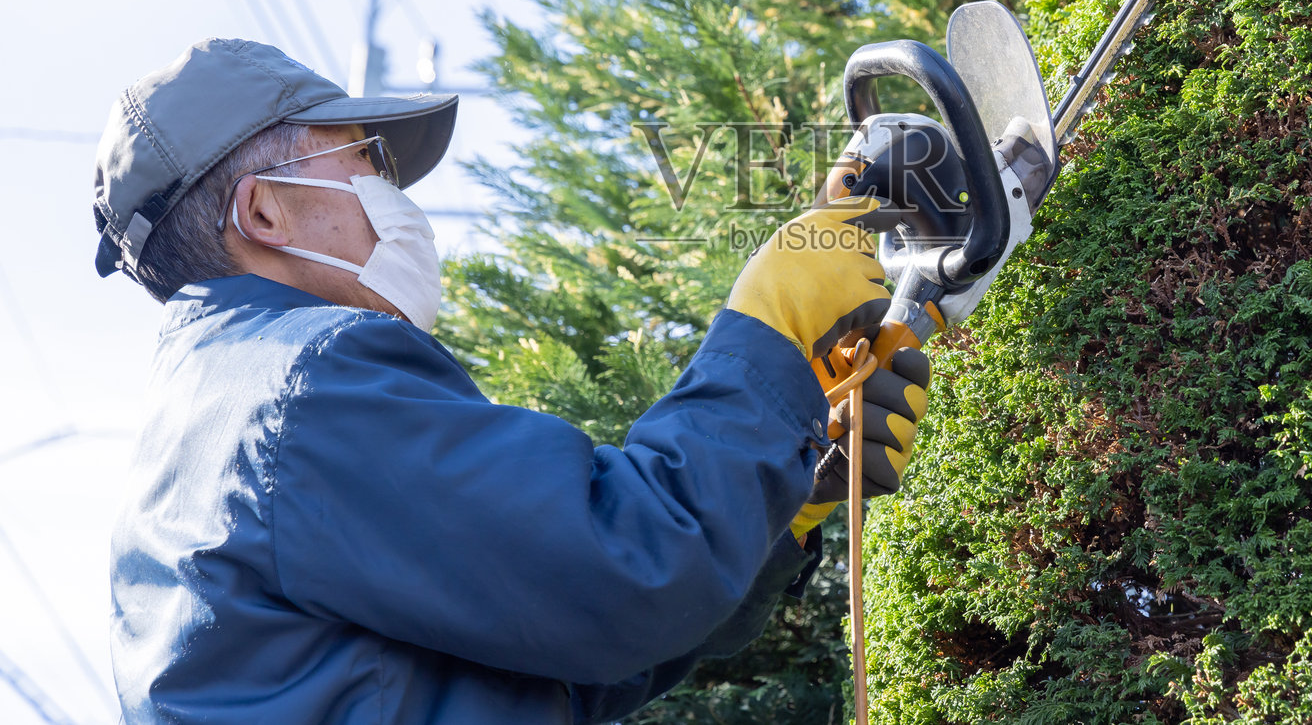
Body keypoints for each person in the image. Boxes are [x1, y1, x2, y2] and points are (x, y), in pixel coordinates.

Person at [93, 38, 930, 723]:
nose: (391, 195)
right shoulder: (301, 389)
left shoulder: (215, 417)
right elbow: (622, 569)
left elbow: (556, 675)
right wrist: (776, 318)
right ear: (264, 212)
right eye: (364, 159)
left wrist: (788, 498)